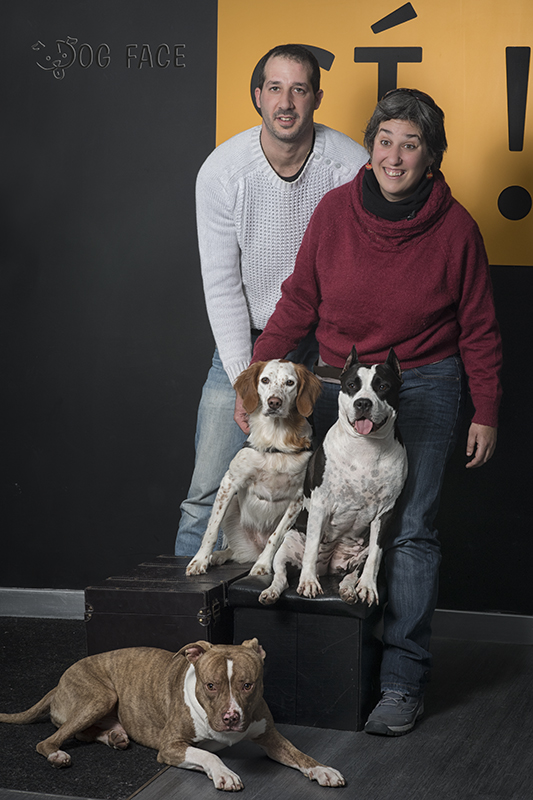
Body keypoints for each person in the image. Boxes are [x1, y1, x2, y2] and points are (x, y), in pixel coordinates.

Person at [248, 88, 502, 735]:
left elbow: (478, 327)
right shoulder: (335, 212)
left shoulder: (457, 229)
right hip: (341, 380)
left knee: (410, 528)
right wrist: (257, 384)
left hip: (425, 380)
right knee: (319, 516)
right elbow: (298, 301)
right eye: (385, 141)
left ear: (430, 156)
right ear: (371, 148)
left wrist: (486, 408)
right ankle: (327, 669)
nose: (394, 156)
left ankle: (400, 682)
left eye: (410, 145)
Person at [175, 44, 368, 556]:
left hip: (326, 347)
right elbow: (221, 283)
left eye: (299, 89)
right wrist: (246, 378)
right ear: (257, 95)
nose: (286, 102)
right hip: (252, 343)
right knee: (206, 495)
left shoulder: (351, 167)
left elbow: (363, 270)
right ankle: (187, 609)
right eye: (275, 88)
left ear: (317, 98)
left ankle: (309, 603)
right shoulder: (222, 171)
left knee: (331, 496)